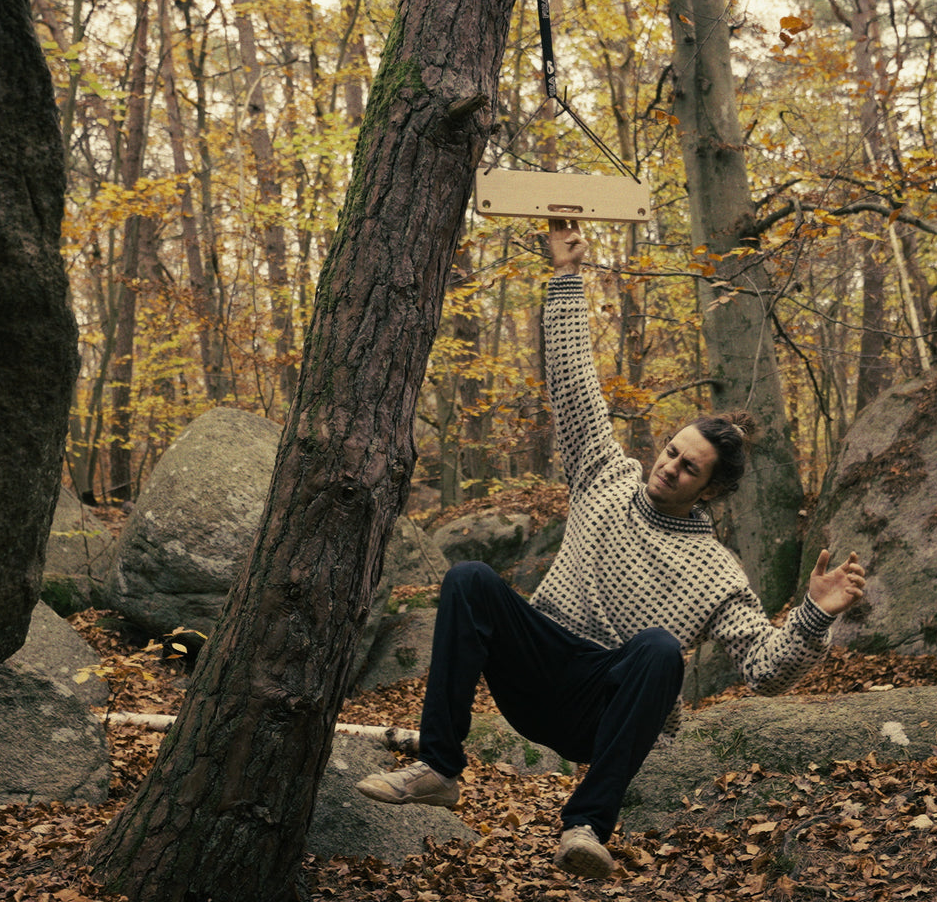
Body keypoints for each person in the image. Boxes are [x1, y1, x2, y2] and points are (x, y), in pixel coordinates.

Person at [357, 220, 865, 879]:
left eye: (688, 469)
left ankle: (587, 827)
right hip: (535, 670)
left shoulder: (715, 571)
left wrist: (815, 615)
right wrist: (566, 277)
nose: (669, 467)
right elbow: (571, 384)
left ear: (708, 492)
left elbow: (765, 671)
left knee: (659, 650)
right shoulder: (605, 475)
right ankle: (439, 767)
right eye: (671, 451)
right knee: (471, 579)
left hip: (597, 711)